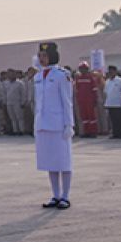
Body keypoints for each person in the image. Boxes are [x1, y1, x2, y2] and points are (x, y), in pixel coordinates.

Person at [33, 43, 74, 209]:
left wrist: (69, 124)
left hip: (58, 124)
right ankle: (55, 195)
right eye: (40, 55)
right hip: (43, 124)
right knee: (50, 162)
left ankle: (65, 196)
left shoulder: (61, 75)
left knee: (63, 162)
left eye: (44, 55)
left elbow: (67, 101)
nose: (41, 58)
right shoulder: (37, 76)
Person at [74, 63, 101, 138]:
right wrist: (78, 99)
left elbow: (94, 89)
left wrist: (95, 99)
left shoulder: (91, 78)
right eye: (80, 69)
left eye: (83, 68)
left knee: (91, 117)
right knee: (84, 117)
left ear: (86, 69)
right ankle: (87, 132)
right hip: (82, 101)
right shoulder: (78, 79)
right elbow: (77, 90)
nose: (81, 70)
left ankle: (93, 132)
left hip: (90, 100)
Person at [103, 64, 121, 139]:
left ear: (115, 71)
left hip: (118, 103)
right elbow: (105, 93)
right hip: (110, 103)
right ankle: (115, 133)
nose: (111, 73)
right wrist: (105, 103)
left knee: (120, 120)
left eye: (112, 71)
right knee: (113, 120)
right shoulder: (107, 81)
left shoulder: (120, 80)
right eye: (109, 72)